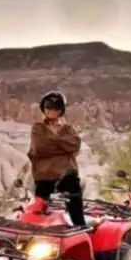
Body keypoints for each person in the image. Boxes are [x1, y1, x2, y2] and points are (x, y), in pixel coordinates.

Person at [27, 91, 86, 226]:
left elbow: (75, 144)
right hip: (44, 175)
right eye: (49, 108)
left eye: (55, 108)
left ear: (61, 111)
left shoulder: (68, 129)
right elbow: (40, 147)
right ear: (44, 109)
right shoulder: (38, 128)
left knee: (76, 209)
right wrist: (63, 145)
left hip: (67, 174)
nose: (52, 111)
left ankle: (81, 230)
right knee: (40, 212)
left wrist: (51, 142)